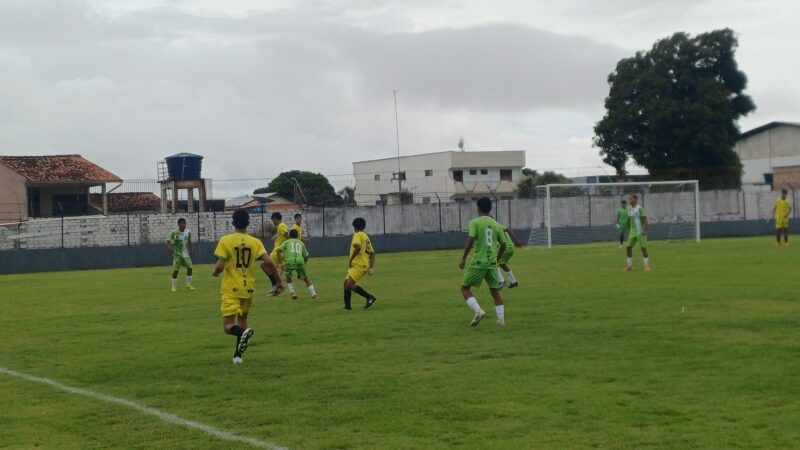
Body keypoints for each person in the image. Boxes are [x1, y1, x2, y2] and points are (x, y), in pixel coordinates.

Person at [212, 209, 282, 364]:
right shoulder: (255, 242)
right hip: (248, 288)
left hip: (231, 288)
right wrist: (279, 281)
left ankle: (243, 334)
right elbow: (269, 262)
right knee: (243, 318)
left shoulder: (225, 240)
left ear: (232, 223)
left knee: (228, 326)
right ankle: (238, 356)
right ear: (248, 223)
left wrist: (215, 273)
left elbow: (220, 265)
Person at [459, 197, 507, 326]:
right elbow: (504, 244)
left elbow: (470, 239)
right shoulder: (496, 224)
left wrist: (463, 258)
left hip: (479, 262)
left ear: (478, 208)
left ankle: (478, 311)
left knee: (464, 289)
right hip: (492, 263)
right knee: (494, 291)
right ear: (490, 208)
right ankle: (501, 321)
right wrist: (497, 258)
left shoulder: (475, 222)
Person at [343, 217, 376, 310]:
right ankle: (347, 307)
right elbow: (372, 253)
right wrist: (371, 267)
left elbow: (357, 248)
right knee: (346, 284)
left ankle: (369, 297)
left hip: (359, 264)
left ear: (355, 227)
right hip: (362, 264)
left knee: (349, 285)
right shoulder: (365, 236)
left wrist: (350, 259)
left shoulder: (357, 235)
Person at [277, 229, 318, 300]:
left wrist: (281, 263)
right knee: (305, 278)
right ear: (297, 236)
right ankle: (314, 295)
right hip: (300, 262)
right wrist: (303, 264)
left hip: (289, 262)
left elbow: (278, 251)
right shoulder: (301, 243)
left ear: (289, 235)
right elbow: (306, 256)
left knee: (288, 277)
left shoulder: (286, 242)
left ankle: (292, 292)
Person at [624, 194, 650, 272]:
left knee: (643, 248)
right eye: (629, 199)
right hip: (633, 232)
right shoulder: (629, 209)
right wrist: (628, 232)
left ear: (635, 200)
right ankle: (629, 266)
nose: (629, 201)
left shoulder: (640, 209)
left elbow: (645, 220)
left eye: (631, 199)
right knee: (628, 247)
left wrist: (645, 230)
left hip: (640, 231)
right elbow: (628, 221)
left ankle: (646, 266)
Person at [167, 218, 194, 292]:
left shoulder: (188, 232)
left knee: (190, 268)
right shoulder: (174, 232)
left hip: (186, 255)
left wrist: (191, 250)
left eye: (185, 223)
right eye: (182, 223)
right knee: (176, 270)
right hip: (177, 255)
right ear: (179, 224)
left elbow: (189, 241)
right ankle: (173, 287)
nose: (184, 225)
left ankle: (188, 285)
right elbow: (168, 240)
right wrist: (170, 247)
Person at [268, 212, 290, 295]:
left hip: (277, 252)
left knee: (270, 267)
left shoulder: (281, 226)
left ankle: (276, 286)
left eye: (272, 220)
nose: (273, 222)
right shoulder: (282, 226)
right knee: (279, 270)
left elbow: (286, 235)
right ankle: (278, 289)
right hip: (282, 251)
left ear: (274, 219)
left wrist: (291, 243)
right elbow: (283, 235)